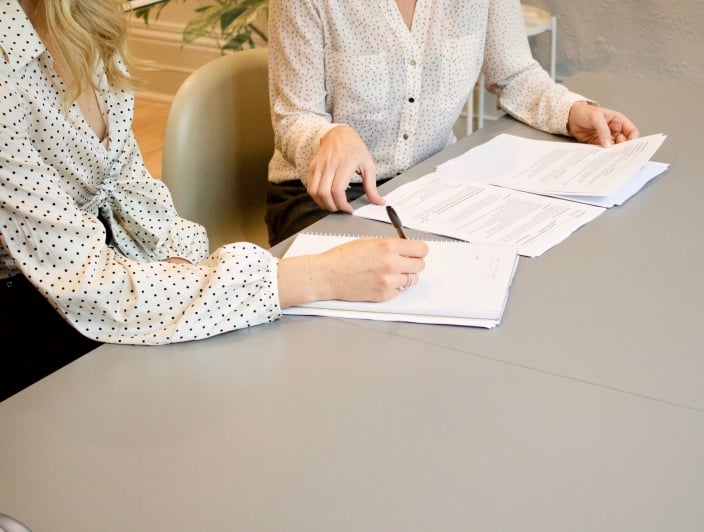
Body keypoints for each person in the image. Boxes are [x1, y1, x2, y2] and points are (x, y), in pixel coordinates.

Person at [0, 0, 428, 401]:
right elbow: (90, 286)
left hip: (101, 276)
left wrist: (181, 265)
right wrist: (318, 276)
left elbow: (129, 186)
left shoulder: (87, 20)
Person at [266, 0, 640, 245]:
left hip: (429, 184)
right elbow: (294, 116)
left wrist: (572, 111)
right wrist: (329, 136)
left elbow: (515, 74)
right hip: (323, 198)